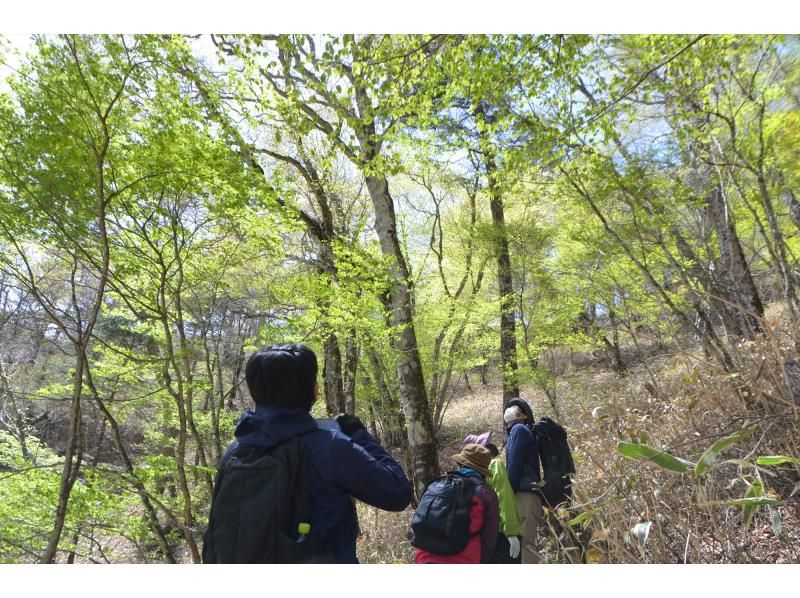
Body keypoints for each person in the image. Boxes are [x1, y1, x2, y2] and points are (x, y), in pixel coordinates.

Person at [214, 343, 412, 563]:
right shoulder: (330, 447)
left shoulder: (235, 450)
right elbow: (398, 493)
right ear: (314, 390)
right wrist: (358, 433)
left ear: (254, 391)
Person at [414, 444, 499, 564]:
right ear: (483, 471)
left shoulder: (437, 485)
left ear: (460, 464)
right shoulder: (485, 493)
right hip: (464, 559)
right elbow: (489, 538)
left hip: (424, 558)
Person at [462, 432, 522, 563]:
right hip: (500, 533)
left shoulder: (461, 474)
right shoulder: (495, 464)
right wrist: (511, 532)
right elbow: (503, 497)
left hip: (477, 537)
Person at [504, 403, 544, 564]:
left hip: (524, 493)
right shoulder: (519, 430)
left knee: (527, 544)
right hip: (525, 492)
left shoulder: (518, 430)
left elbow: (515, 463)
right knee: (526, 543)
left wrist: (509, 490)